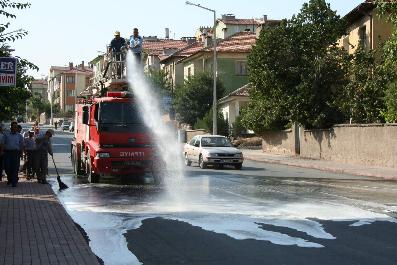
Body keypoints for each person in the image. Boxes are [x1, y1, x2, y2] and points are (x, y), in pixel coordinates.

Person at [3, 121, 24, 187]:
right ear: (11, 127)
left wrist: (21, 153)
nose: (15, 128)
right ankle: (10, 179)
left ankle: (14, 182)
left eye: (16, 127)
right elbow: (2, 144)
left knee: (15, 167)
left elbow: (21, 145)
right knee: (7, 167)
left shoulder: (19, 136)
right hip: (7, 153)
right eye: (14, 127)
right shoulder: (6, 135)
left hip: (16, 153)